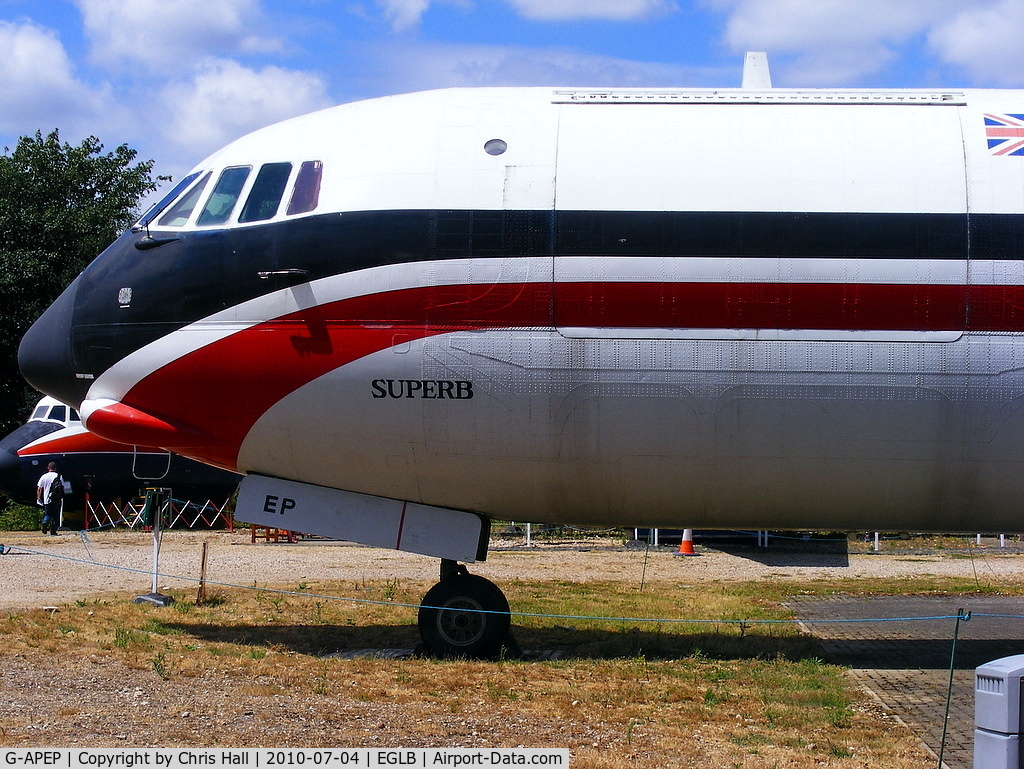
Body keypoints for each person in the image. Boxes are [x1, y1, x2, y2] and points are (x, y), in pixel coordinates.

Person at [36, 462, 62, 535]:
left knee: (48, 513)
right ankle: (53, 531)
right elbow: (63, 486)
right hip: (56, 499)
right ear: (55, 468)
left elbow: (39, 488)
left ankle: (45, 522)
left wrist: (38, 497)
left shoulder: (44, 476)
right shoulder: (59, 476)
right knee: (56, 515)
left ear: (48, 468)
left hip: (47, 499)